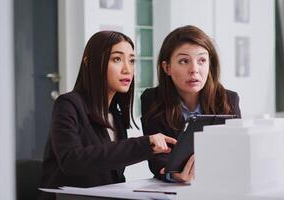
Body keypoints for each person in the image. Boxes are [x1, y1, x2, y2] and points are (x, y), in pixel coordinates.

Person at [39, 31, 176, 200]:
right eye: (117, 59)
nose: (127, 69)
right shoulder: (68, 104)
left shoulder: (116, 116)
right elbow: (72, 161)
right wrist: (143, 145)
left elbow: (113, 175)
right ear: (90, 63)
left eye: (131, 61)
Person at [141, 25, 241, 183]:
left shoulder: (228, 99)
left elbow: (236, 150)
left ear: (210, 65)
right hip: (173, 189)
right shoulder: (152, 99)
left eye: (202, 60)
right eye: (184, 61)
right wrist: (172, 174)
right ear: (167, 67)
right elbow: (157, 155)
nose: (194, 69)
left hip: (219, 183)